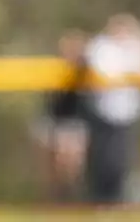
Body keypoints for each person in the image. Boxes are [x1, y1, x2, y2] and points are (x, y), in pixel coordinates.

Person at [83, 13, 140, 206]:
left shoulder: (139, 46)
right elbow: (102, 72)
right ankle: (99, 200)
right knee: (102, 159)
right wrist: (128, 75)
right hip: (103, 112)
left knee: (122, 160)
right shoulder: (101, 46)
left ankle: (117, 200)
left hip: (129, 113)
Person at [32, 29, 89, 202]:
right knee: (50, 169)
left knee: (71, 167)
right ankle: (52, 200)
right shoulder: (53, 69)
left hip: (72, 123)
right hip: (52, 121)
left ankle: (71, 200)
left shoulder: (85, 70)